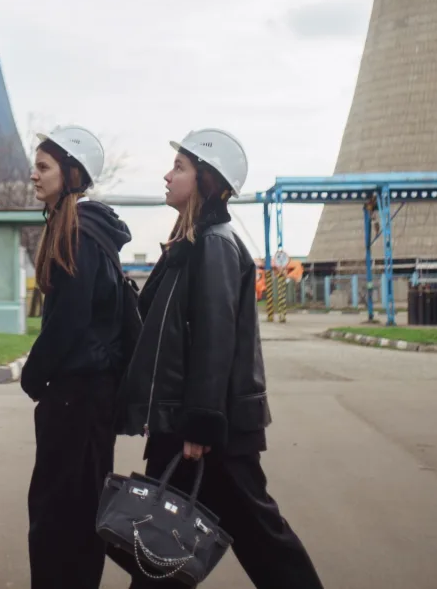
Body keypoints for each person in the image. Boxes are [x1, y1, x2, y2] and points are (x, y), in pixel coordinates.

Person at [117, 129, 322, 589]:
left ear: (207, 180)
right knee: (161, 546)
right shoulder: (191, 244)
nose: (167, 176)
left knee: (260, 539)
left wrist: (200, 423)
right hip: (188, 423)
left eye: (180, 168)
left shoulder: (214, 244)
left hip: (209, 430)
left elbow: (214, 339)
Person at [20, 125, 131, 589]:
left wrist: (33, 377)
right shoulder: (82, 230)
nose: (34, 176)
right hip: (90, 397)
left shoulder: (78, 234)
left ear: (71, 173)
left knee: (56, 514)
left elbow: (68, 321)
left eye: (43, 167)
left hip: (76, 397)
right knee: (82, 510)